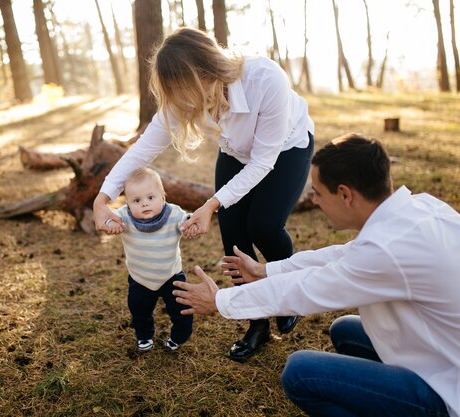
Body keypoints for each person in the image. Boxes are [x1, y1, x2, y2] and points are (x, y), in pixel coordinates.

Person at [172, 134, 460, 417]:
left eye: (318, 192)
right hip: (444, 350)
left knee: (300, 373)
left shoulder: (386, 251)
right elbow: (342, 255)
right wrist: (266, 270)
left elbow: (305, 290)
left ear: (345, 194)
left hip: (450, 391)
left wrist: (220, 300)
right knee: (345, 330)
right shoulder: (419, 208)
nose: (314, 201)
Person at [93, 27, 315, 362]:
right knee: (235, 237)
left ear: (207, 74)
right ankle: (256, 324)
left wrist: (211, 203)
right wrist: (102, 197)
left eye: (185, 91)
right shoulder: (182, 99)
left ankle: (285, 293)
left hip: (285, 149)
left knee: (264, 226)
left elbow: (263, 161)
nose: (182, 103)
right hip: (236, 153)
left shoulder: (266, 79)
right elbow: (141, 151)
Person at [103, 167, 193, 351]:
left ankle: (179, 335)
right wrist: (110, 223)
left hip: (171, 275)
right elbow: (108, 218)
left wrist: (191, 223)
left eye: (150, 198)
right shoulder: (124, 217)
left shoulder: (173, 214)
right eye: (136, 200)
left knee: (180, 309)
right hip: (140, 278)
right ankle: (144, 335)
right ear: (127, 203)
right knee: (139, 311)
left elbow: (186, 220)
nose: (144, 204)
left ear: (163, 197)